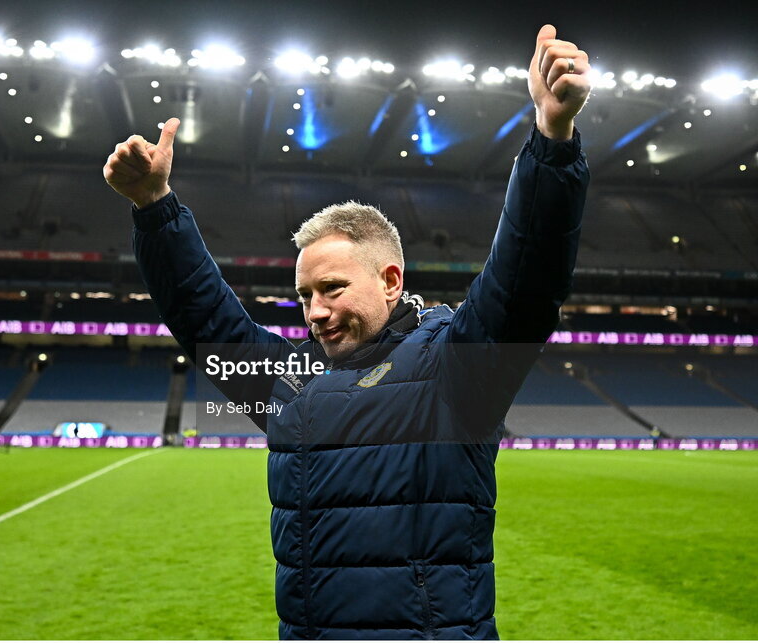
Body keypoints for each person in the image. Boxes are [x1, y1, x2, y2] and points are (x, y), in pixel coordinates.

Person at [104, 24, 591, 640]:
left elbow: (527, 278)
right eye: (305, 295)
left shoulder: (456, 370)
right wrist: (154, 208)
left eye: (333, 289)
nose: (314, 312)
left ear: (390, 280)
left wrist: (552, 142)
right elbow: (206, 319)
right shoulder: (290, 383)